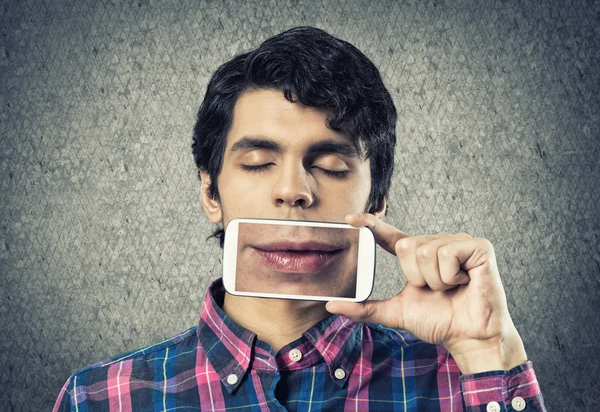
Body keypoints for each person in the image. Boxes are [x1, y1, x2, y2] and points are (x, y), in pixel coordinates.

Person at [53, 26, 546, 411]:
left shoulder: (467, 381)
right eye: (258, 163)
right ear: (211, 192)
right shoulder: (101, 398)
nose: (293, 191)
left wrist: (487, 354)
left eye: (331, 167)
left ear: (375, 202)